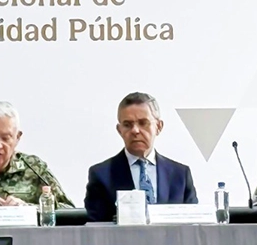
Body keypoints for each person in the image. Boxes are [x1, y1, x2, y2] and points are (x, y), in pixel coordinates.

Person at [83, 92, 198, 222]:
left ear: (158, 127)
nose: (135, 131)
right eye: (127, 125)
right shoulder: (101, 175)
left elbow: (192, 228)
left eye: (143, 123)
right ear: (119, 130)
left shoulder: (180, 175)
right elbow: (96, 229)